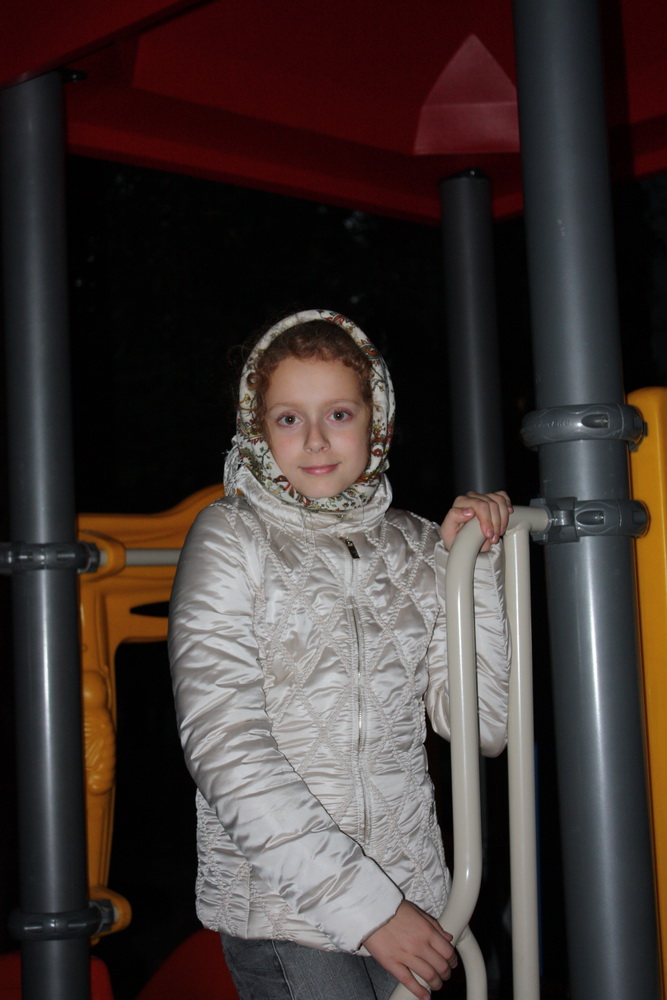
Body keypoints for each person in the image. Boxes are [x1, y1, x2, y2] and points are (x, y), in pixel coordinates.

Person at [168, 309, 512, 1000]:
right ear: (258, 431)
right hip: (284, 906)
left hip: (415, 898)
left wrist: (471, 565)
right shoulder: (231, 537)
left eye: (339, 414)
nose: (316, 439)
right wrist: (368, 910)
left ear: (376, 421)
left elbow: (482, 723)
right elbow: (225, 744)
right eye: (289, 418)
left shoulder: (418, 544)